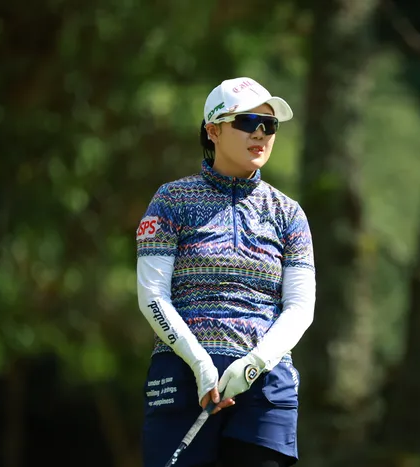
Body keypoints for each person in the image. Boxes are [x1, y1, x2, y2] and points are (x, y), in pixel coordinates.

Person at [136, 77, 316, 467]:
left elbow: (300, 309)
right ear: (213, 130)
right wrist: (200, 363)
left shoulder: (289, 213)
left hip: (266, 382)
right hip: (182, 376)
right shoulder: (172, 200)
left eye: (269, 125)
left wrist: (254, 363)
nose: (261, 133)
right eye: (248, 121)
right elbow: (152, 296)